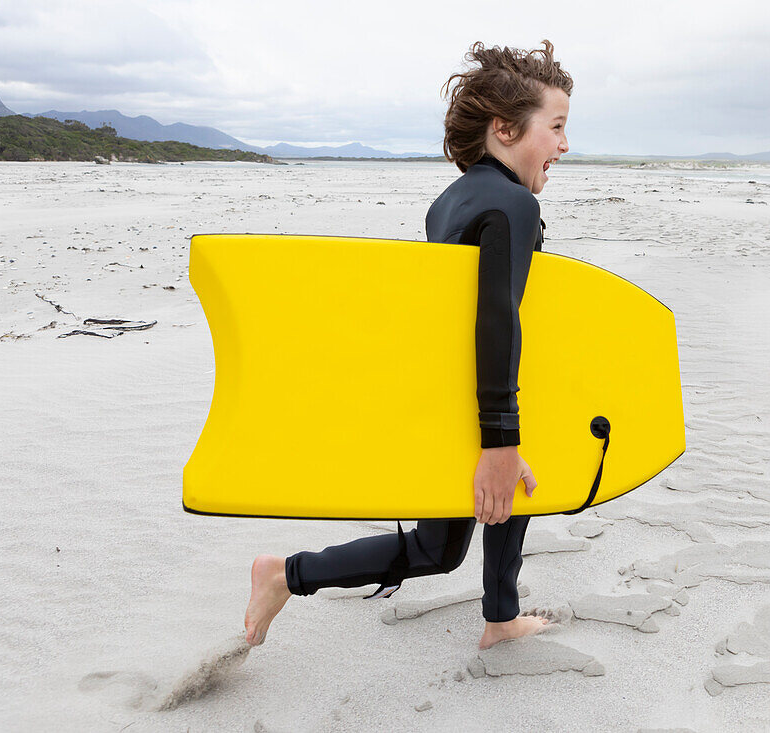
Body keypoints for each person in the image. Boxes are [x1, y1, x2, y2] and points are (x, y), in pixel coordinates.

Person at [244, 40, 572, 651]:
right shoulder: (513, 205)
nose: (563, 145)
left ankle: (289, 575)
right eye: (555, 127)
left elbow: (444, 321)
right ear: (505, 129)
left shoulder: (449, 202)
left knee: (440, 545)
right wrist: (499, 439)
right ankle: (285, 574)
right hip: (478, 400)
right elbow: (495, 320)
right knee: (507, 483)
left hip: (444, 397)